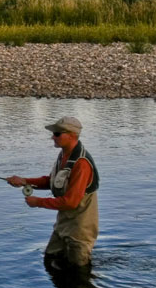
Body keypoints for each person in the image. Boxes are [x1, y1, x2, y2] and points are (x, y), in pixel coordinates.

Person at [7, 116, 100, 270]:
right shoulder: (64, 154)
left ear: (71, 135)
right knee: (50, 259)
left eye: (57, 134)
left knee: (79, 272)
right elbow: (52, 181)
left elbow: (71, 202)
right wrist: (24, 181)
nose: (52, 137)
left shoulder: (81, 164)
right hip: (64, 222)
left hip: (80, 227)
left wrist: (38, 203)